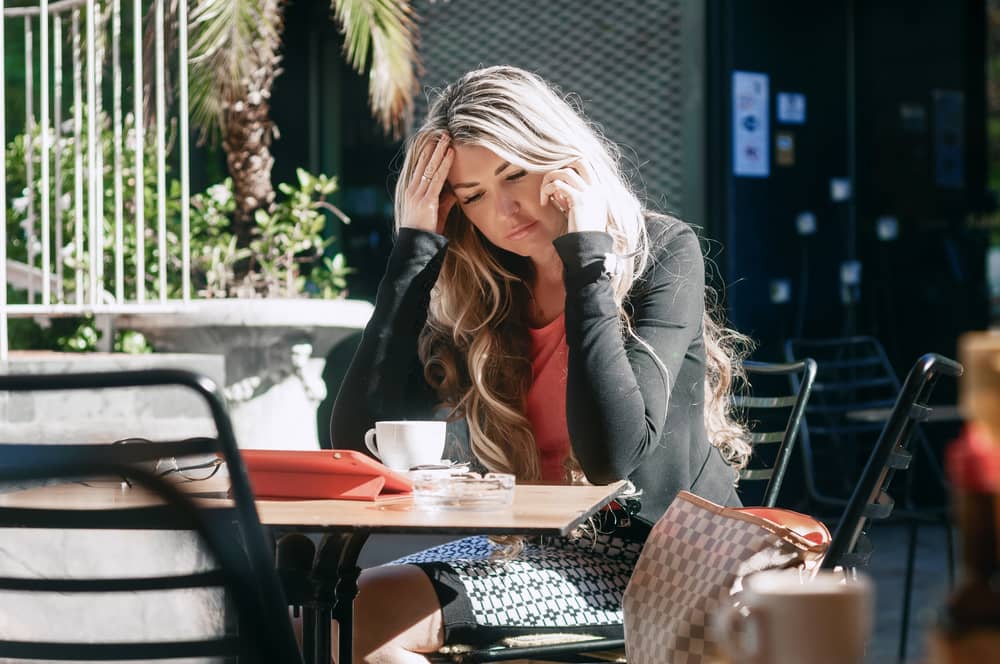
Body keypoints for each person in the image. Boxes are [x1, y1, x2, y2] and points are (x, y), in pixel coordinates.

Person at [331, 65, 751, 663]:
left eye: (515, 174)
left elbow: (612, 455)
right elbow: (357, 442)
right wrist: (413, 248)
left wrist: (588, 262)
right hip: (528, 549)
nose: (504, 210)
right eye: (473, 196)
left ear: (559, 158)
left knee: (365, 617)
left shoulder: (663, 253)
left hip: (664, 564)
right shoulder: (491, 287)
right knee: (326, 611)